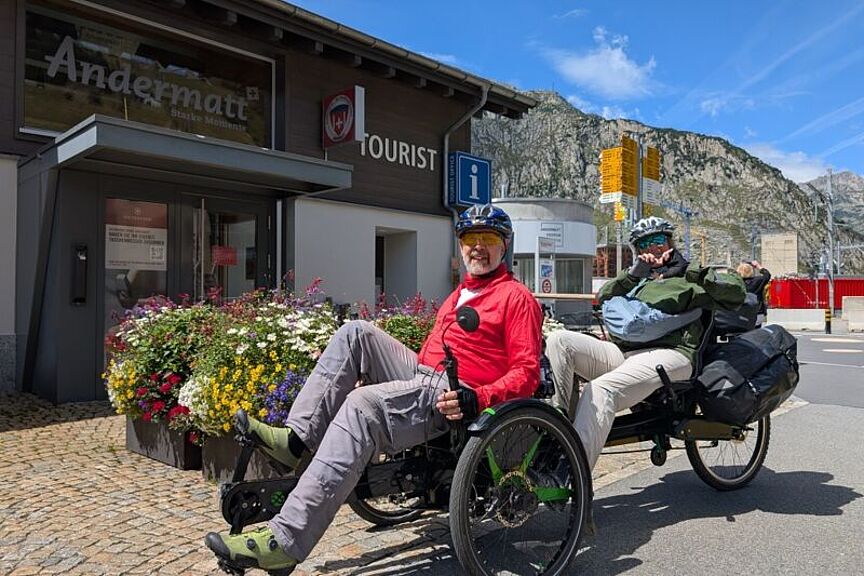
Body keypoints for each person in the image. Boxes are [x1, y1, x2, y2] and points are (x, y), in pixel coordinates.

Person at [205, 203, 543, 574]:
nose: (477, 246)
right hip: (425, 374)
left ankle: (286, 540)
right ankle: (297, 440)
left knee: (363, 405)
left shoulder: (516, 298)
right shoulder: (460, 293)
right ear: (460, 244)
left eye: (488, 238)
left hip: (457, 394)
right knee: (355, 334)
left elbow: (526, 372)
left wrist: (478, 396)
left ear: (504, 245)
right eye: (470, 238)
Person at [546, 216, 746, 474]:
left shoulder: (690, 277)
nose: (651, 248)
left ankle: (573, 478)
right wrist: (633, 275)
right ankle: (560, 427)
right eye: (643, 245)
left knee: (601, 390)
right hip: (625, 352)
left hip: (673, 354)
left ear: (669, 241)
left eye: (657, 240)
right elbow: (602, 296)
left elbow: (736, 292)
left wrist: (696, 272)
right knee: (559, 341)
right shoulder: (640, 280)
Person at [737, 260, 772, 326]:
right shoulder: (758, 281)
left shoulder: (736, 283)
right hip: (758, 312)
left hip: (741, 313)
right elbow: (767, 275)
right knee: (756, 331)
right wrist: (758, 266)